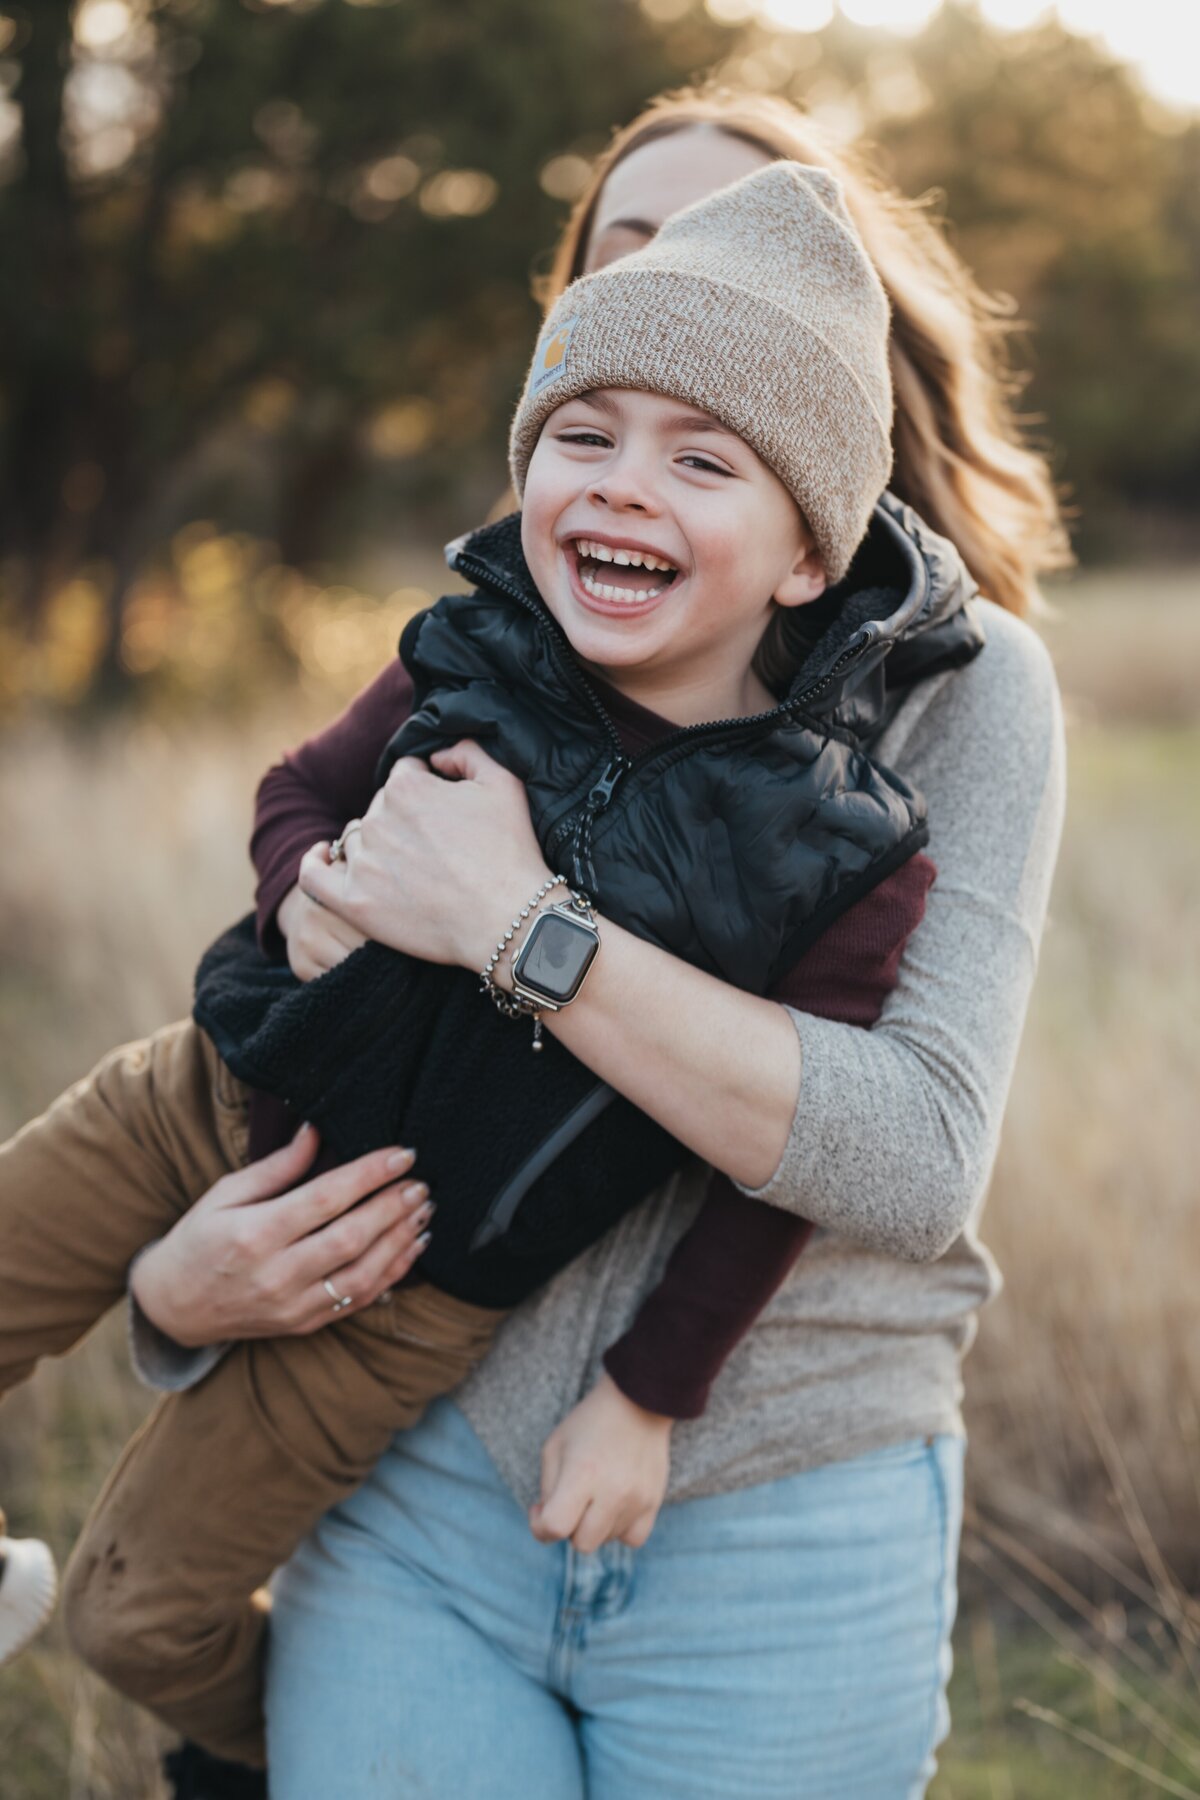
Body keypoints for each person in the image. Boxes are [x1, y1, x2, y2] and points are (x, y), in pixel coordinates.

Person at [0, 159, 964, 1786]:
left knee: (129, 1620)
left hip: (415, 1282)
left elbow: (777, 1171)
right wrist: (312, 889)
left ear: (809, 555)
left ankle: (310, 1732)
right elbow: (295, 795)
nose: (620, 489)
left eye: (701, 460)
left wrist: (652, 1392)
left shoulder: (834, 853)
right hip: (204, 1094)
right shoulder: (480, 637)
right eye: (582, 438)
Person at [251, 91, 1066, 1799]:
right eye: (629, 257)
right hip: (420, 1467)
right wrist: (185, 1290)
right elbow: (304, 954)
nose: (681, 291)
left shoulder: (971, 697)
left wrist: (514, 924)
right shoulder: (530, 609)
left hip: (779, 1514)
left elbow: (913, 1150)